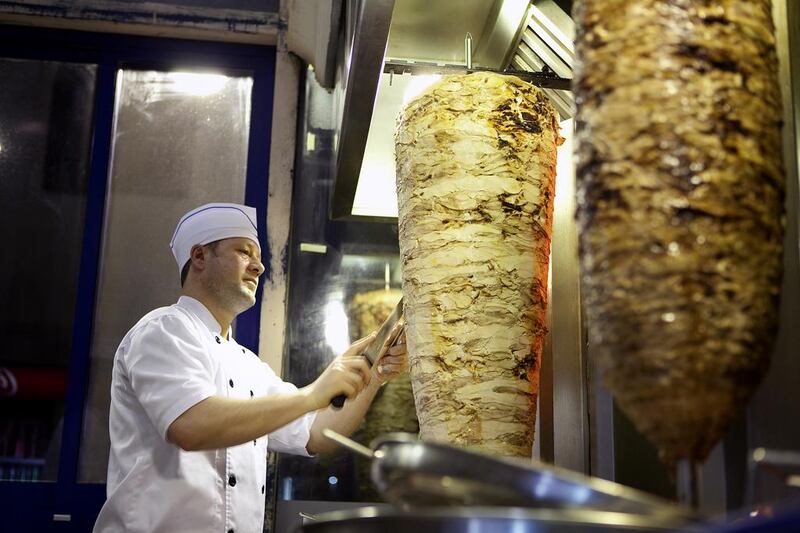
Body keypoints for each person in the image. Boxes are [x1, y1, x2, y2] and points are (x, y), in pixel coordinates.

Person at [93, 203, 408, 533]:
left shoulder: (248, 364)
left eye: (258, 256)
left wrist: (372, 374)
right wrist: (313, 394)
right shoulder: (162, 330)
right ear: (199, 257)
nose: (259, 267)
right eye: (244, 252)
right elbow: (191, 425)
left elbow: (318, 435)